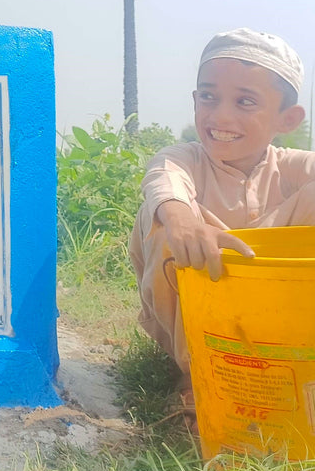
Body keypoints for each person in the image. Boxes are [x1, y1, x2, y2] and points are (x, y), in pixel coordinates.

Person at [129, 28, 315, 379]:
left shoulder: (292, 168)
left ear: (287, 119)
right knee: (161, 217)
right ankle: (197, 378)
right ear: (195, 100)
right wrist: (182, 219)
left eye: (245, 102)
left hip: (274, 323)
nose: (221, 117)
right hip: (196, 326)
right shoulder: (185, 159)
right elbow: (163, 177)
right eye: (210, 98)